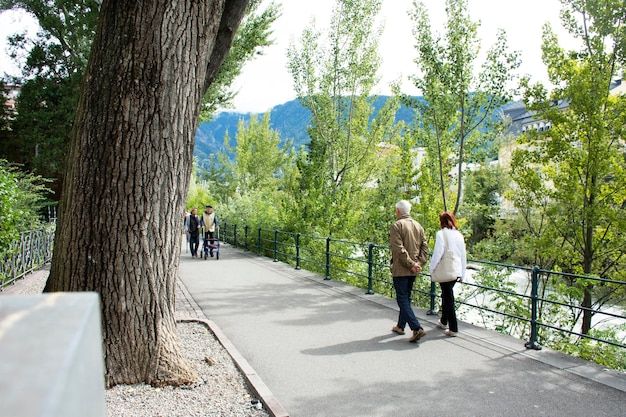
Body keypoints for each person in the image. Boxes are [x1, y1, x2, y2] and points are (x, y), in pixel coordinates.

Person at [389, 200, 429, 343]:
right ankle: (400, 326)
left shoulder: (397, 226)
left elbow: (398, 248)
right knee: (406, 297)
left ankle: (416, 327)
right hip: (413, 269)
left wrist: (411, 264)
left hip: (401, 268)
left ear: (398, 211)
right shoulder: (418, 226)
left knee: (402, 298)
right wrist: (418, 263)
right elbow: (425, 248)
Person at [429, 211, 467, 337]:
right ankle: (443, 321)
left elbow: (437, 253)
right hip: (456, 270)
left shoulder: (441, 234)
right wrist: (463, 273)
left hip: (445, 269)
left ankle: (453, 328)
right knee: (446, 294)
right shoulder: (459, 235)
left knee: (447, 296)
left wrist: (432, 269)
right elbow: (463, 255)